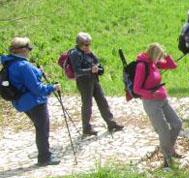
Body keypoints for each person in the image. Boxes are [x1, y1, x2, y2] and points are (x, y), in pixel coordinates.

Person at [1, 37, 60, 166]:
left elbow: (23, 80)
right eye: (29, 48)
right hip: (34, 102)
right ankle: (44, 158)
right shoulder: (24, 65)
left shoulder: (10, 63)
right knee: (42, 129)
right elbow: (37, 88)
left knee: (39, 127)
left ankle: (44, 155)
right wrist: (52, 87)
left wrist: (38, 72)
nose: (30, 51)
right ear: (22, 50)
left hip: (22, 102)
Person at [134, 43, 182, 168]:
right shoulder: (142, 65)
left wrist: (166, 56)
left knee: (177, 123)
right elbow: (136, 89)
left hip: (162, 98)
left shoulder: (154, 62)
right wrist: (150, 93)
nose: (161, 58)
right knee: (163, 129)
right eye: (159, 55)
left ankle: (169, 149)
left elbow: (172, 66)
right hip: (151, 102)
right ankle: (167, 158)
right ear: (153, 54)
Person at [68, 32, 123, 136]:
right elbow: (77, 70)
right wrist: (91, 70)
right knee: (87, 105)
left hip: (94, 80)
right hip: (83, 82)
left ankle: (111, 123)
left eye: (89, 43)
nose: (88, 46)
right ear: (79, 44)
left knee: (102, 101)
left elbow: (97, 64)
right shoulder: (75, 53)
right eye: (86, 44)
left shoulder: (89, 52)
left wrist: (98, 69)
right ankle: (86, 128)